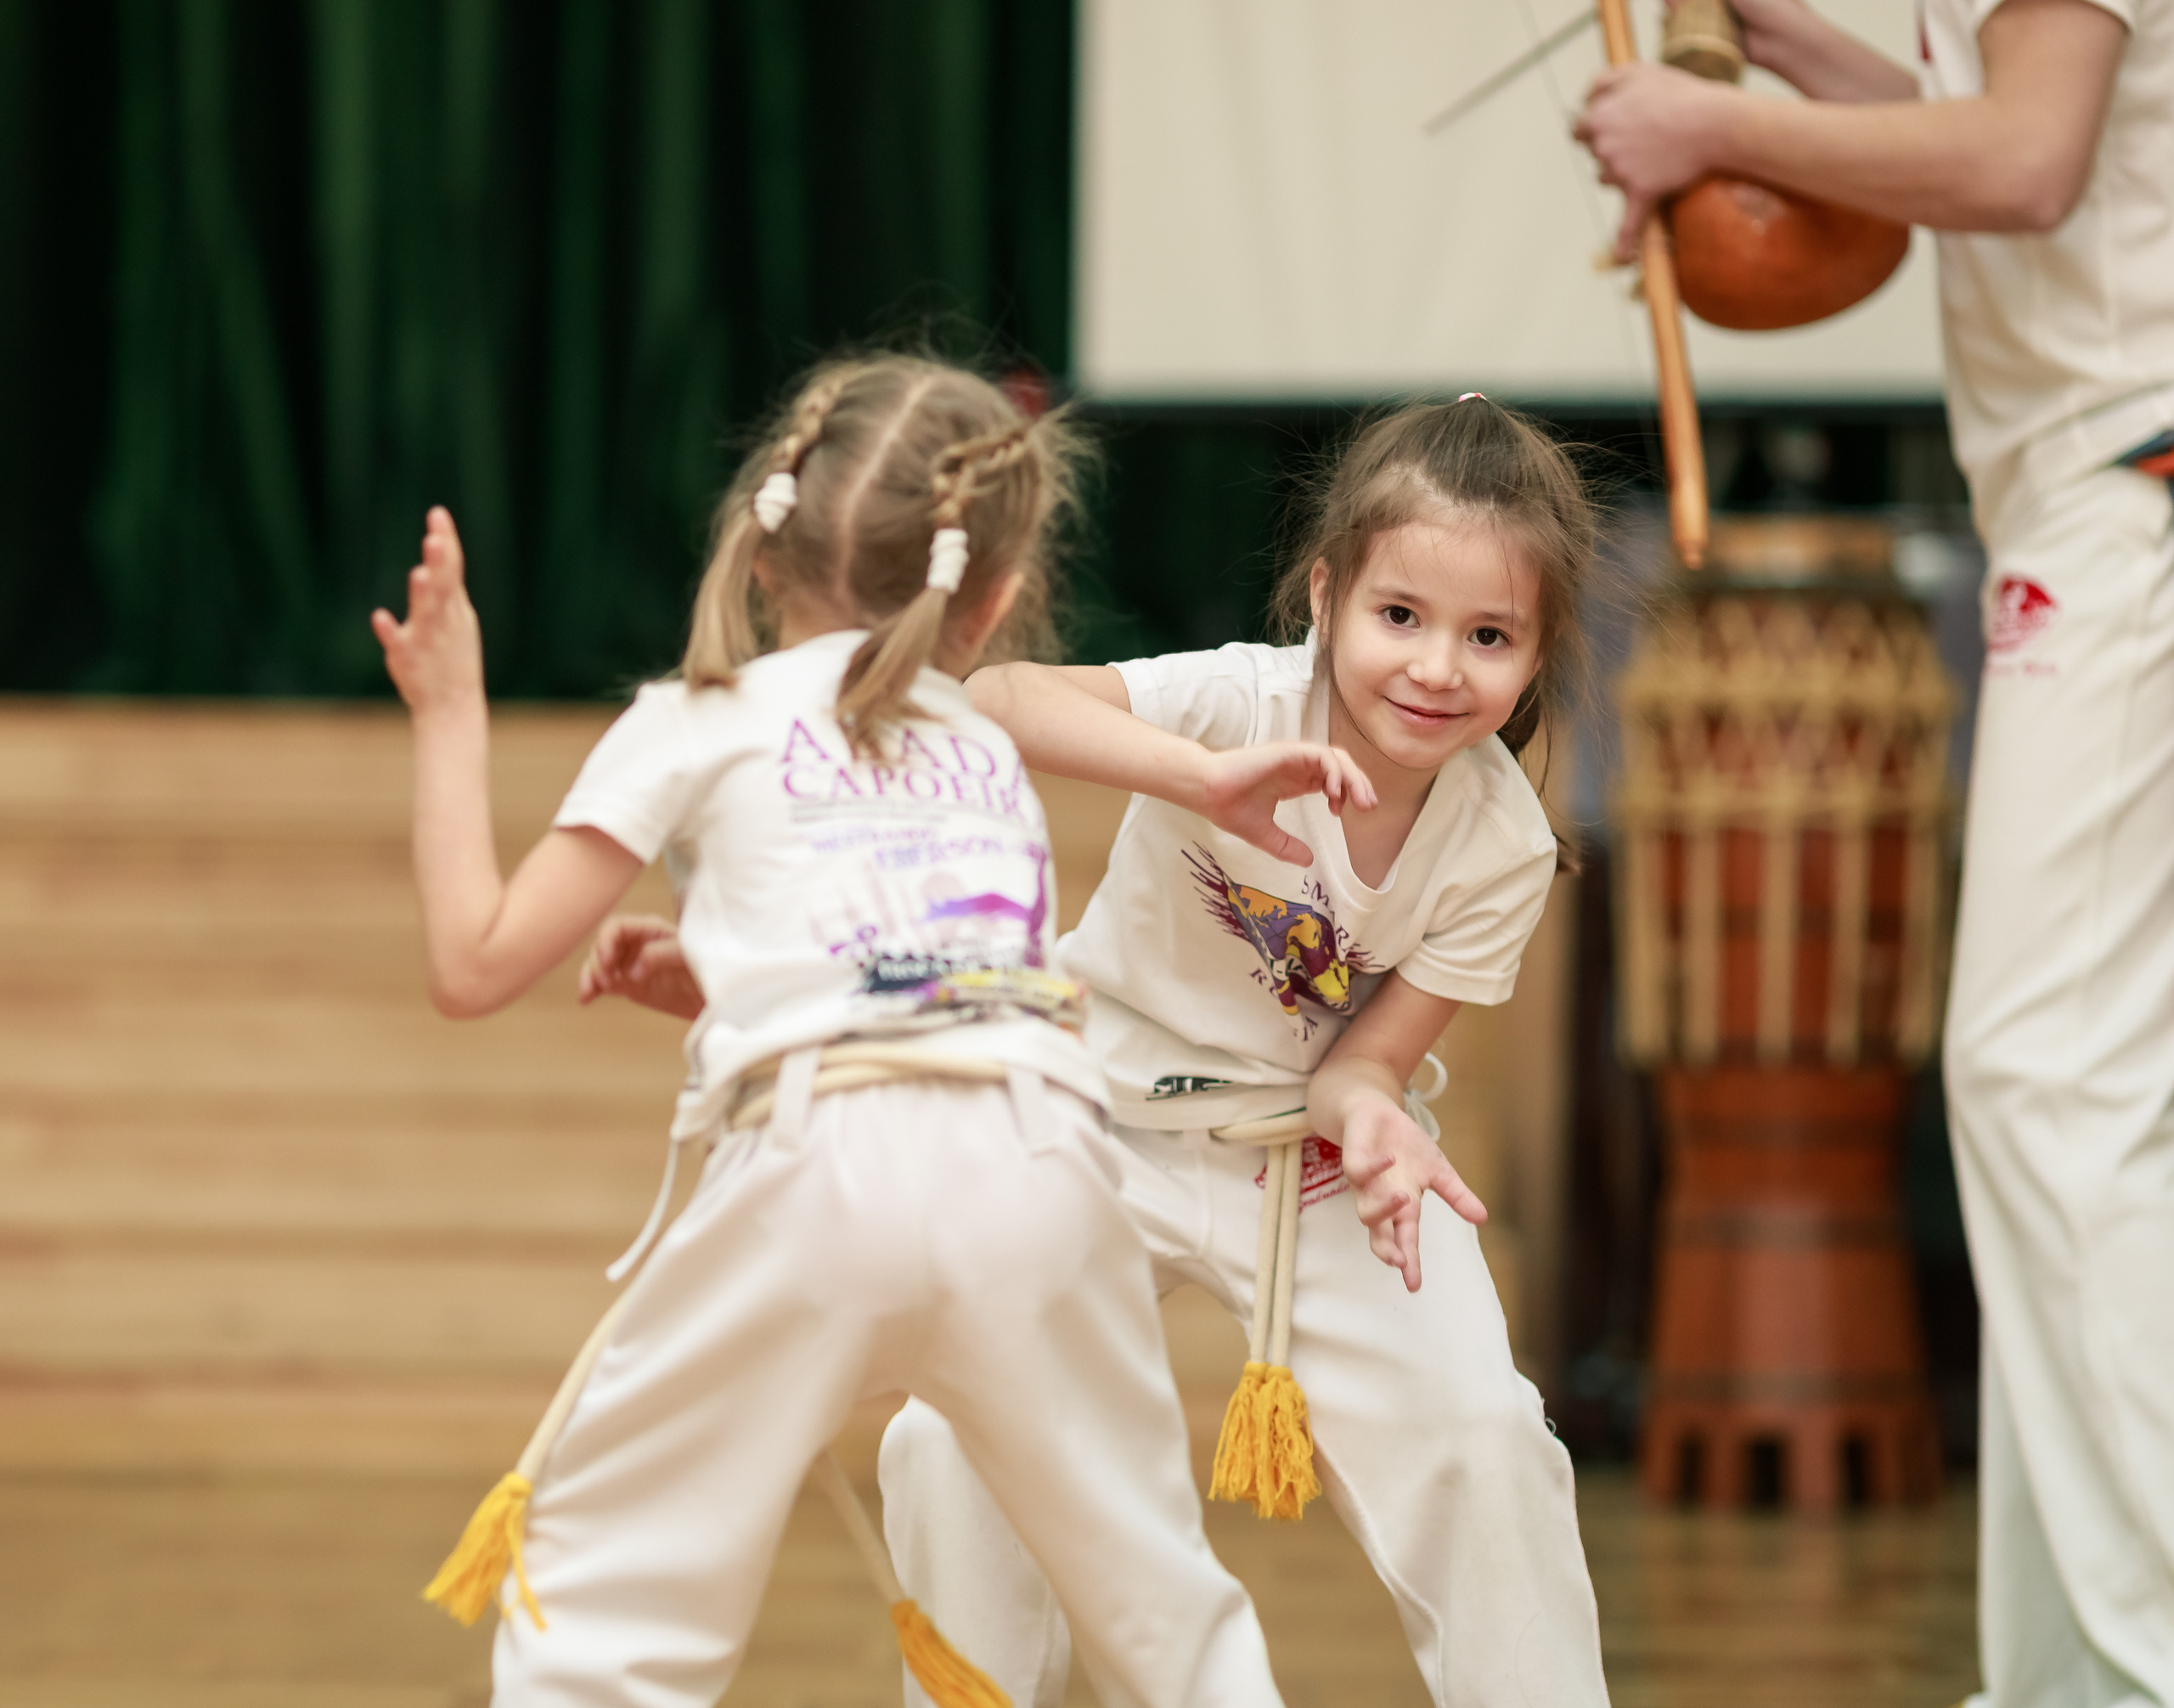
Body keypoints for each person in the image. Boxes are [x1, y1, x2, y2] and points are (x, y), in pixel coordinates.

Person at [590, 395, 1615, 1706]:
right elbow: (998, 698)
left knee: (1484, 1437)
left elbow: (1369, 1059)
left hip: (1308, 1170)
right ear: (1325, 594)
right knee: (950, 1443)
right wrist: (1196, 775)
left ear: (1538, 656)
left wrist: (1371, 1114)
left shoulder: (1503, 845)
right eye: (1400, 617)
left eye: (1489, 637)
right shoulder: (1239, 698)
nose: (1434, 666)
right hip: (1100, 1127)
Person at [370, 354, 1298, 1707]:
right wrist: (722, 978)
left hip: (823, 1171)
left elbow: (473, 961)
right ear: (988, 595)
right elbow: (942, 979)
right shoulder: (981, 751)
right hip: (1040, 1167)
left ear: (764, 551)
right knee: (1167, 1617)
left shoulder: (696, 718)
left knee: (609, 1615)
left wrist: (452, 713)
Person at [1577, 7, 2174, 1706]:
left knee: (2043, 1078)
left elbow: (2019, 162)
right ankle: (2065, 1677)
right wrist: (1767, 57)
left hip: (2128, 483)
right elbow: (1962, 132)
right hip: (2090, 490)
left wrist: (1719, 140)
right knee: (2044, 1092)